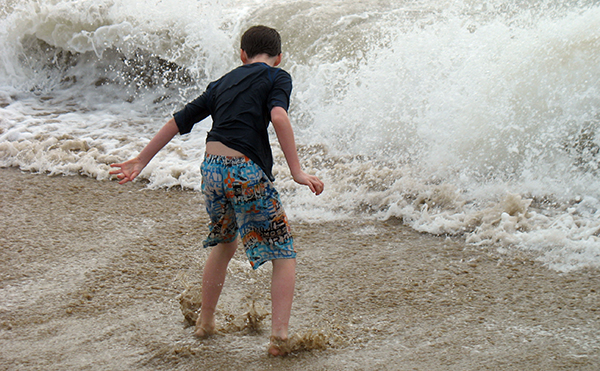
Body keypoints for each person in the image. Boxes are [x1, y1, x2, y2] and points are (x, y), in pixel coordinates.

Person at [109, 25, 324, 356]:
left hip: (211, 169)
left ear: (242, 55)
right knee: (283, 251)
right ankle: (279, 338)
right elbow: (279, 117)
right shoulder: (277, 77)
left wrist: (141, 159)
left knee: (224, 243)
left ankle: (205, 321)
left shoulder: (222, 82)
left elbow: (177, 121)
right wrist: (297, 171)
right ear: (278, 58)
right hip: (244, 170)